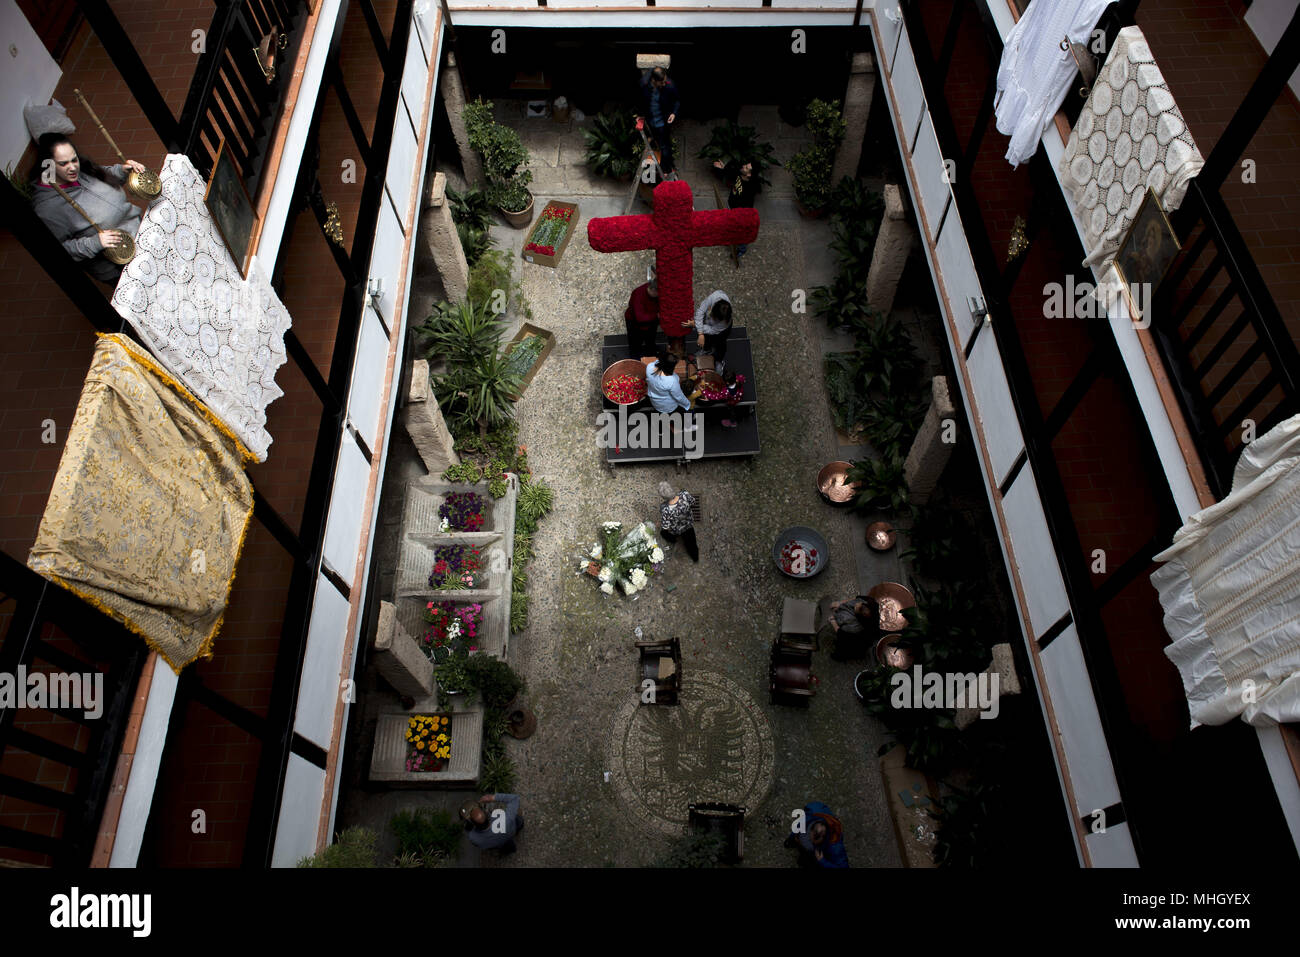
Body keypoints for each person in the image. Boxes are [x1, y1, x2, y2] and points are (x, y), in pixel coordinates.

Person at [29, 133, 146, 284]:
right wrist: (94, 243)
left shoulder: (81, 170)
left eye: (74, 160)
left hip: (138, 232)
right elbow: (57, 250)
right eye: (63, 164)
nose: (72, 168)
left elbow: (104, 175)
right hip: (119, 263)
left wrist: (123, 171)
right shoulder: (47, 208)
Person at [711, 157, 761, 262]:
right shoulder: (740, 173)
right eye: (746, 164)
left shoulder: (750, 188)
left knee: (741, 233)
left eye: (747, 167)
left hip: (740, 214)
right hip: (731, 206)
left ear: (749, 175)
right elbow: (730, 174)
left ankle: (741, 249)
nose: (744, 166)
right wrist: (723, 168)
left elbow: (744, 212)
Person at [638, 67, 679, 176]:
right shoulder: (644, 85)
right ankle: (659, 169)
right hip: (651, 122)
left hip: (663, 122)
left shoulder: (670, 85)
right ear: (654, 81)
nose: (664, 84)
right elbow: (640, 101)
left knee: (665, 146)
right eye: (662, 82)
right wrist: (640, 115)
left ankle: (667, 169)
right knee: (656, 144)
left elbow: (676, 101)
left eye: (665, 81)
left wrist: (673, 113)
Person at [784, 801, 850, 868]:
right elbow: (800, 824)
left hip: (816, 853)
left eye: (817, 837)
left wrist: (822, 861)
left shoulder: (835, 848)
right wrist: (792, 836)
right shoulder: (812, 814)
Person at [818, 594, 882, 660]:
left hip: (854, 640)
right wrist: (840, 603)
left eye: (861, 609)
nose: (857, 604)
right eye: (862, 605)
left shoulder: (854, 627)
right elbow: (856, 598)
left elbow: (841, 634)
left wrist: (833, 621)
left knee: (845, 647)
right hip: (854, 618)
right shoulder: (870, 603)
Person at [693, 290, 733, 375]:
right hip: (707, 324)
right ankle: (706, 350)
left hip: (722, 332)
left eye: (716, 319)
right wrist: (700, 333)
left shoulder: (725, 322)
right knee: (707, 338)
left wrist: (696, 325)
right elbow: (700, 311)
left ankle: (719, 361)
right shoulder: (715, 296)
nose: (714, 319)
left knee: (720, 344)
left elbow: (712, 330)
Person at [625, 265, 660, 360]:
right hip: (634, 324)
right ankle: (635, 361)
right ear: (653, 290)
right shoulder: (638, 294)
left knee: (651, 341)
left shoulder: (655, 291)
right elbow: (640, 317)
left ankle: (651, 356)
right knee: (635, 345)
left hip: (651, 322)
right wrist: (657, 315)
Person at [658, 481, 699, 562]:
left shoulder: (665, 509)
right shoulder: (684, 494)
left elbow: (665, 526)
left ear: (663, 497)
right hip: (689, 524)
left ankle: (673, 540)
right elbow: (693, 502)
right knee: (692, 543)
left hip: (677, 529)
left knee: (663, 532)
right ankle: (695, 557)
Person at [644, 349, 694, 415]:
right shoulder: (672, 380)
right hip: (668, 406)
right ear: (671, 367)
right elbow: (679, 397)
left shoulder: (649, 367)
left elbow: (657, 362)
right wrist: (687, 404)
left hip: (655, 403)